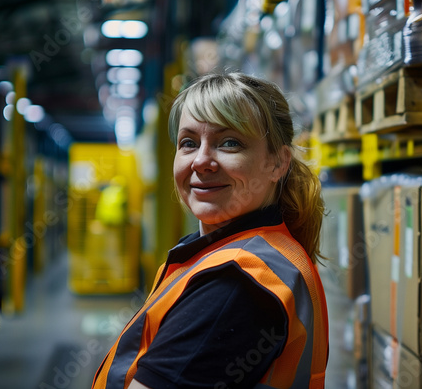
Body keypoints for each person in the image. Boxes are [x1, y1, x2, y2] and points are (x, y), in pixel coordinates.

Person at [92, 72, 329, 389]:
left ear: (278, 163)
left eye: (230, 142)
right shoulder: (243, 251)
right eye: (188, 143)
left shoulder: (237, 284)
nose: (201, 161)